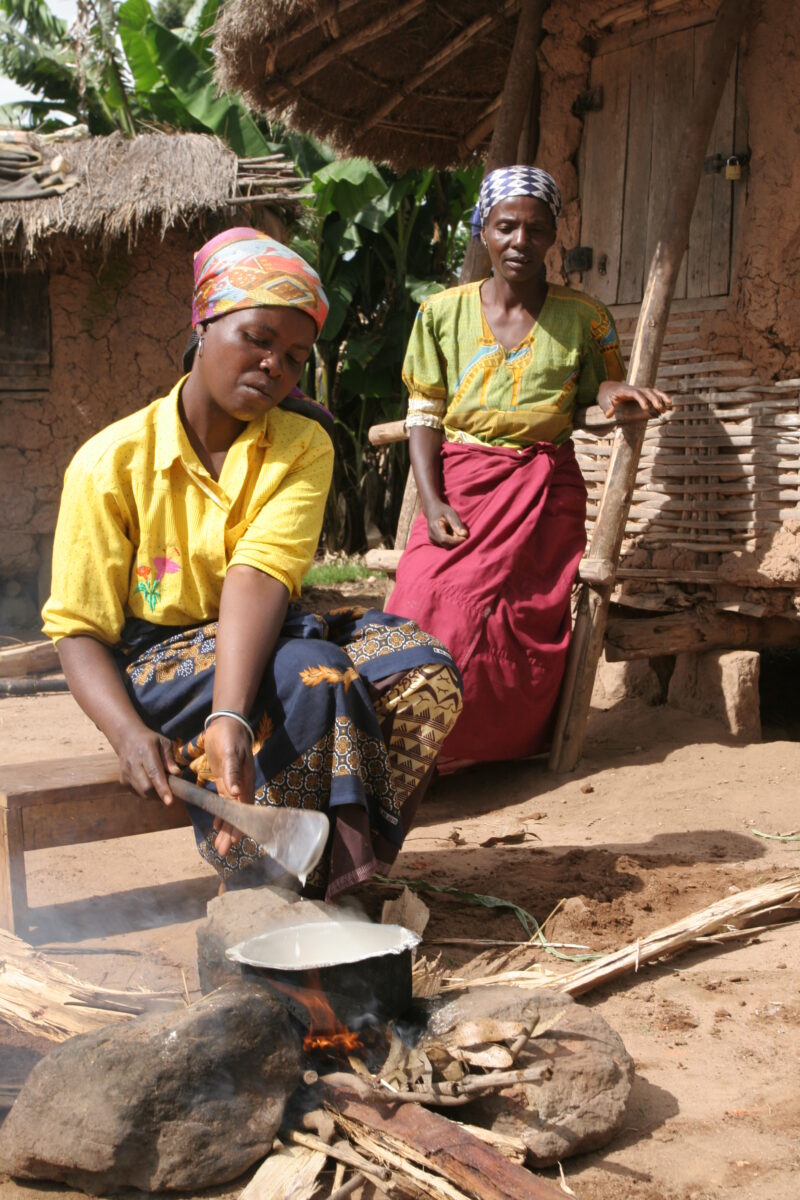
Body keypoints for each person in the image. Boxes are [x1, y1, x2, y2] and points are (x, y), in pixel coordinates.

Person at [42, 227, 463, 898]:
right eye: (258, 339)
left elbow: (259, 573)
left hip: (264, 627)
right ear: (203, 325)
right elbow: (78, 629)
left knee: (423, 670)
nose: (275, 366)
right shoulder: (110, 464)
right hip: (159, 665)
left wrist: (231, 716)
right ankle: (262, 890)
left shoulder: (301, 444)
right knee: (311, 676)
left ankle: (350, 873)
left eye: (295, 356)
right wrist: (126, 732)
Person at [385, 167, 670, 768]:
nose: (520, 241)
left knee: (523, 619)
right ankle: (411, 745)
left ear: (552, 238)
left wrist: (614, 390)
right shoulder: (440, 314)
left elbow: (599, 385)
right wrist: (432, 501)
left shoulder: (585, 317)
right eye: (506, 226)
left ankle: (487, 749)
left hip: (544, 489)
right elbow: (423, 414)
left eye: (536, 229)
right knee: (423, 598)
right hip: (459, 481)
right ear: (482, 232)